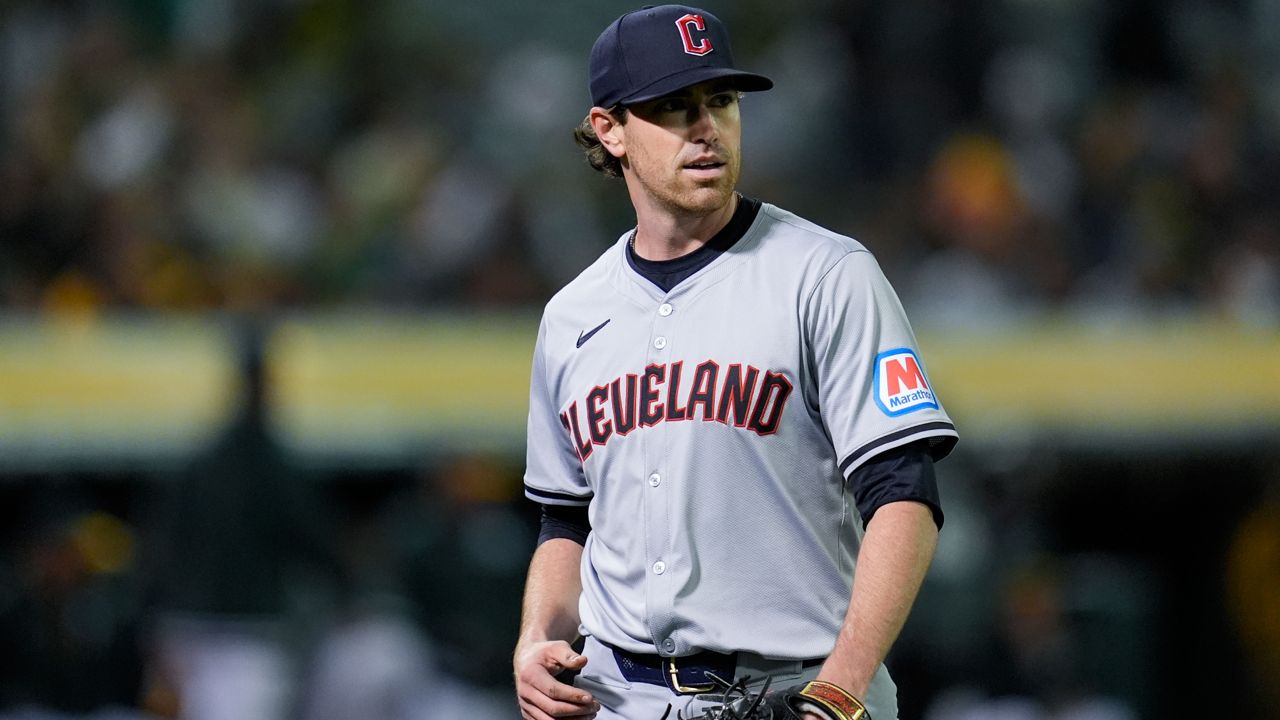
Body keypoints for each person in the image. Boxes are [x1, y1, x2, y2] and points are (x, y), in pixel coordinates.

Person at [513, 6, 958, 719]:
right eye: (674, 107)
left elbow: (905, 494)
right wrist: (537, 637)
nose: (706, 127)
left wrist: (840, 689)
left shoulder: (826, 274)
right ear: (610, 129)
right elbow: (564, 520)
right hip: (620, 697)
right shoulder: (571, 316)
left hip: (800, 688)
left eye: (720, 101)